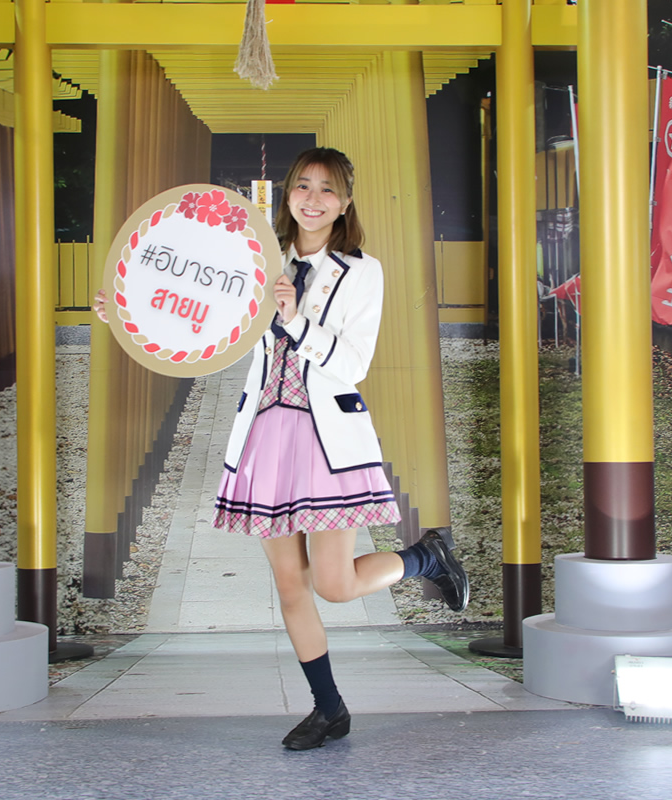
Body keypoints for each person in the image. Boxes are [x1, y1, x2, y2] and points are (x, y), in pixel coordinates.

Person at [95, 147, 468, 751]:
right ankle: (329, 709)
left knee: (334, 585)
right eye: (303, 186)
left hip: (325, 437)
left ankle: (427, 559)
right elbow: (207, 322)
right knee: (291, 586)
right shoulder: (256, 262)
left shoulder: (361, 271)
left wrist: (295, 319)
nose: (313, 199)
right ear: (288, 193)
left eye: (327, 189)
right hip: (266, 434)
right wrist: (129, 310)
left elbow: (353, 364)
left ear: (345, 202)